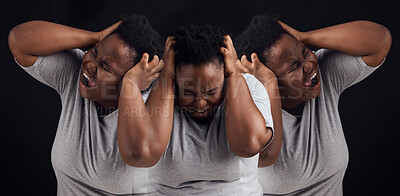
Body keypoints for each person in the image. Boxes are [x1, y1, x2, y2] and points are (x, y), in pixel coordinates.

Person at [117, 24, 282, 195]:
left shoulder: (250, 86)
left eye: (211, 92)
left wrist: (234, 75)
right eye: (188, 92)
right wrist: (164, 76)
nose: (201, 103)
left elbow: (249, 145)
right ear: (175, 80)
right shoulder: (154, 90)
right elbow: (141, 154)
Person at [234, 15, 391, 195]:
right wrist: (269, 84)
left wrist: (302, 37)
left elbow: (381, 40)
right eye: (293, 67)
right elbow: (264, 156)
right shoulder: (249, 110)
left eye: (305, 52)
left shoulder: (324, 77)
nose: (309, 65)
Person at [8, 15, 163, 195]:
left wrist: (131, 86)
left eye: (105, 66)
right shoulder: (75, 76)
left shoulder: (151, 112)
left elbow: (139, 154)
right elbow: (19, 40)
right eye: (94, 52)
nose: (90, 65)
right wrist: (96, 38)